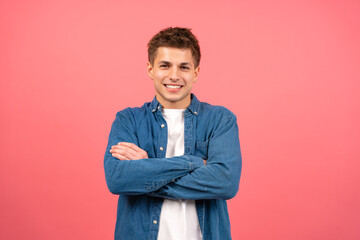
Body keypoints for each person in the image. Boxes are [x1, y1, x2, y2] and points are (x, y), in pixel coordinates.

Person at [104, 27, 242, 240]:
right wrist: (193, 163)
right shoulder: (128, 120)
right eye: (165, 65)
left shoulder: (220, 119)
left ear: (195, 73)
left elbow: (226, 182)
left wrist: (146, 168)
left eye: (184, 67)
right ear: (150, 69)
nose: (174, 76)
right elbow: (117, 179)